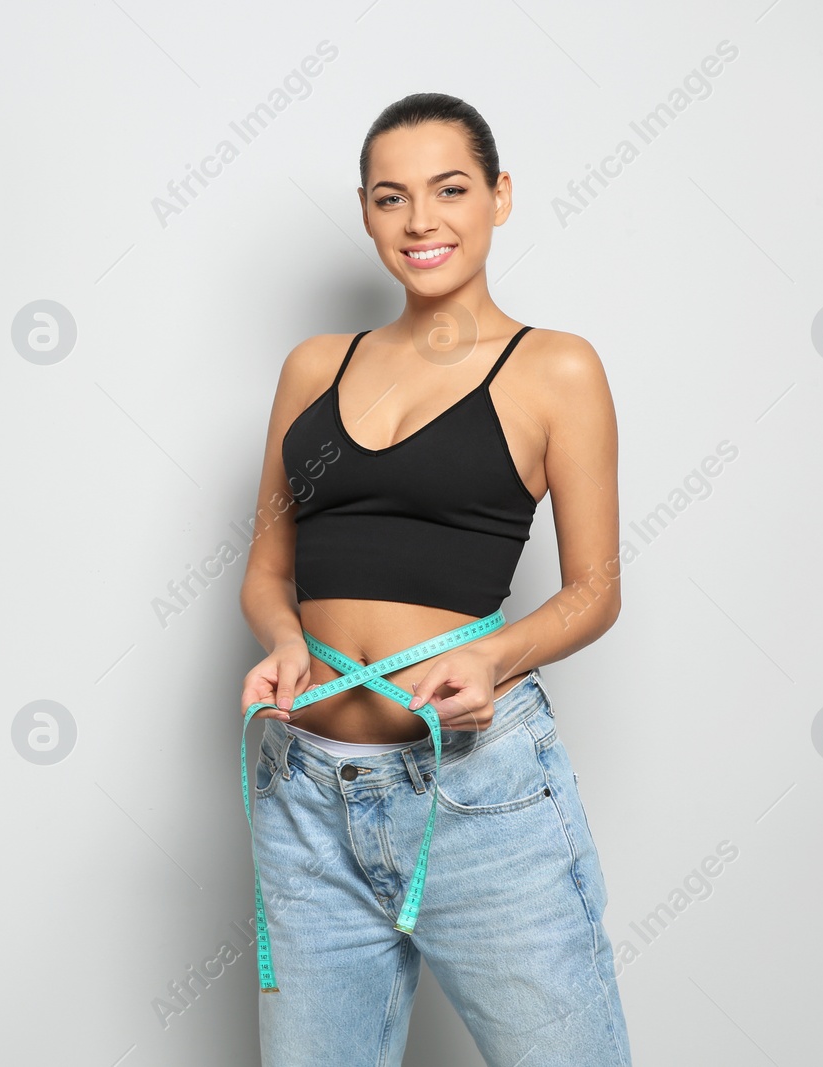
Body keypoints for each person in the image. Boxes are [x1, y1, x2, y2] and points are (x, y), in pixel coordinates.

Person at [237, 93, 633, 1066]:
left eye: (449, 190)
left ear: (499, 197)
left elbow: (594, 589)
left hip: (478, 793)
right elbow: (264, 571)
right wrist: (285, 645)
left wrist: (491, 656)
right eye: (390, 197)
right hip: (304, 797)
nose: (420, 222)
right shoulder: (312, 368)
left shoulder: (556, 369)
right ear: (366, 212)